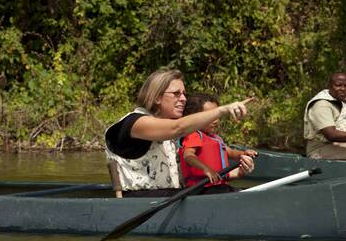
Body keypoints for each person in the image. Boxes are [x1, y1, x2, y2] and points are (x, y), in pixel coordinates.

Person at [104, 69, 254, 197]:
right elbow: (177, 127)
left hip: (170, 198)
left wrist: (238, 172)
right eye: (176, 93)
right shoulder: (135, 122)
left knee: (217, 190)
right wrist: (222, 110)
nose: (183, 99)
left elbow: (189, 176)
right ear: (157, 97)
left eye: (184, 94)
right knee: (216, 192)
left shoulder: (172, 136)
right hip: (140, 201)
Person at [178, 93, 258, 194]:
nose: (216, 120)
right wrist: (206, 169)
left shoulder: (216, 139)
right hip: (201, 189)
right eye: (210, 117)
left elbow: (231, 152)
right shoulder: (194, 135)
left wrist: (244, 154)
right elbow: (188, 156)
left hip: (218, 187)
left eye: (217, 116)